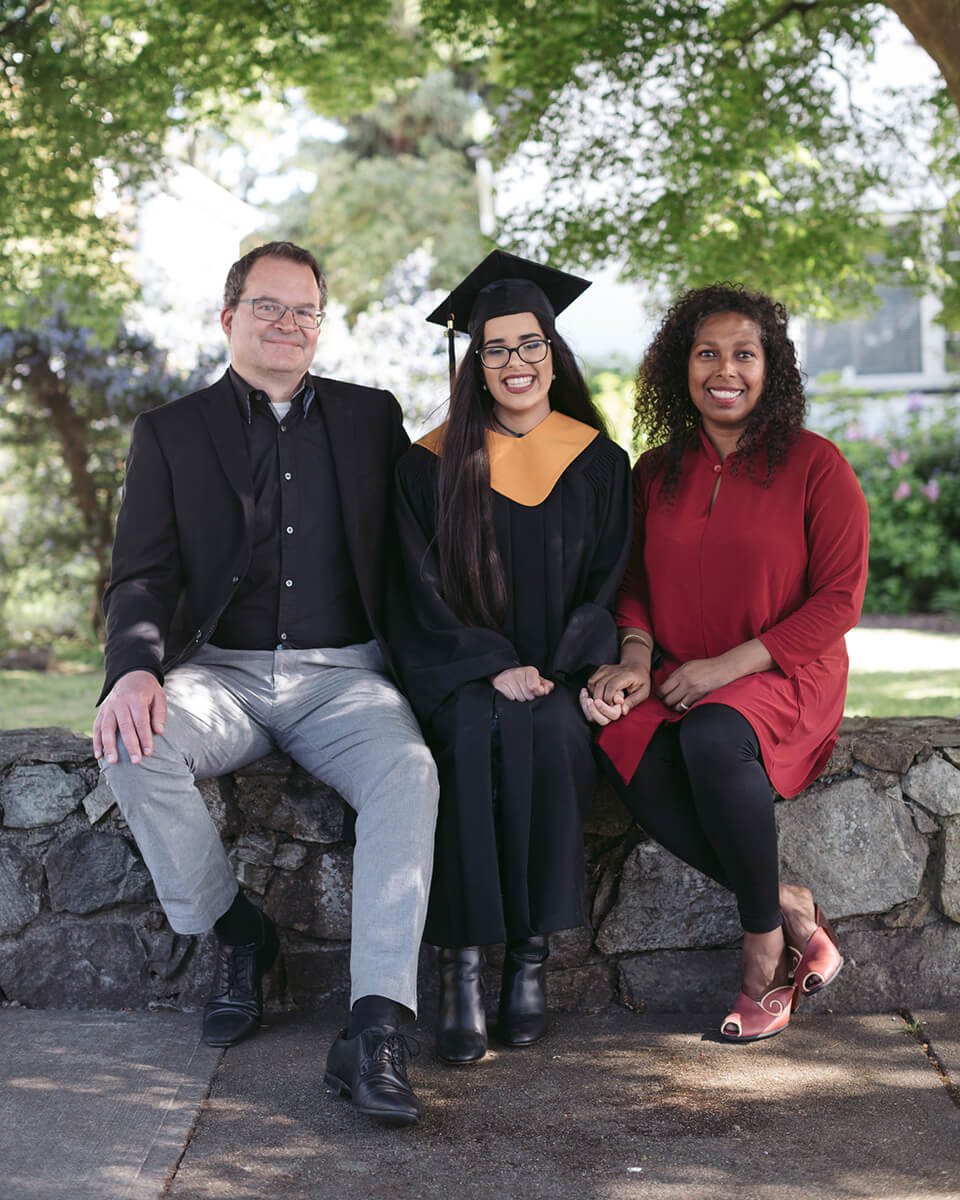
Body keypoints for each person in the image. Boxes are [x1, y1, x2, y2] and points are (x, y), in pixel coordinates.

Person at [93, 240, 439, 1126]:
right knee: (133, 744)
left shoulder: (371, 418)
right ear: (229, 317)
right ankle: (241, 934)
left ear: (320, 324)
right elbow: (141, 574)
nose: (288, 324)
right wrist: (133, 669)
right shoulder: (170, 431)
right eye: (268, 307)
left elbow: (428, 529)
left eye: (304, 311)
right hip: (221, 676)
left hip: (344, 678)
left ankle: (377, 1028)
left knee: (409, 771)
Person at [582, 283, 869, 1042]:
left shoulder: (816, 466)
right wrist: (636, 660)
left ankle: (761, 951)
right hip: (678, 669)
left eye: (745, 353)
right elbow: (634, 586)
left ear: (770, 367)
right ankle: (791, 905)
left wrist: (725, 667)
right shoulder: (656, 472)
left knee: (710, 737)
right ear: (683, 366)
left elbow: (839, 600)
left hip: (784, 674)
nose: (725, 369)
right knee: (616, 733)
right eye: (708, 352)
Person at [389, 250, 632, 1063]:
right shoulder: (427, 463)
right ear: (475, 362)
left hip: (558, 673)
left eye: (531, 346)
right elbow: (414, 587)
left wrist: (568, 667)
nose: (516, 363)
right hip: (463, 675)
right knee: (466, 741)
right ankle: (459, 969)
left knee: (557, 734)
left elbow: (609, 579)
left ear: (553, 353)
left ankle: (526, 959)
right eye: (496, 349)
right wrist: (489, 662)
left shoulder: (598, 461)